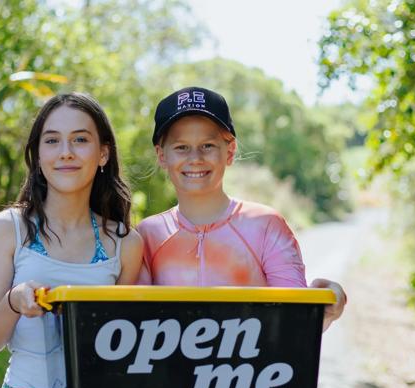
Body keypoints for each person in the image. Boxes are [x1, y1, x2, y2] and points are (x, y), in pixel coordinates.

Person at [0, 93, 143, 388]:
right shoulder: (8, 229)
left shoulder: (125, 244)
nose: (65, 152)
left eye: (80, 139)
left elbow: (125, 353)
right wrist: (14, 302)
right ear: (38, 156)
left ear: (103, 154)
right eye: (52, 141)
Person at [137, 86, 346, 330]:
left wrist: (326, 306)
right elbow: (131, 324)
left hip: (252, 368)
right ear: (162, 156)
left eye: (208, 145)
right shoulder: (147, 235)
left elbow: (295, 322)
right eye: (181, 147)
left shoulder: (265, 225)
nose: (195, 157)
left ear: (230, 150)